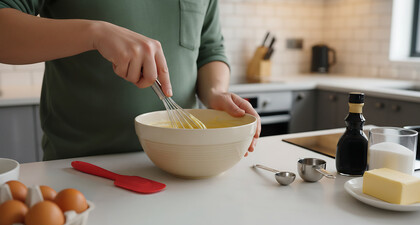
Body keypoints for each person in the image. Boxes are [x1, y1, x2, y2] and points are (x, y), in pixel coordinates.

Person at [0, 0, 261, 160]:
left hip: (185, 163)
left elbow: (209, 49)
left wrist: (215, 91)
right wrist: (95, 33)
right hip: (83, 170)